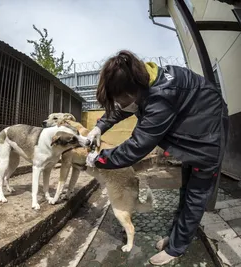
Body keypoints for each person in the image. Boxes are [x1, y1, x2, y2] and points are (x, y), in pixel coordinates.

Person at [85, 50, 228, 266]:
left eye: (120, 100)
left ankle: (177, 248)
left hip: (208, 138)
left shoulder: (161, 96)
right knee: (186, 187)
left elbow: (137, 147)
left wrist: (98, 159)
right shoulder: (146, 81)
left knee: (196, 195)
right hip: (195, 129)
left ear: (134, 91)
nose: (120, 106)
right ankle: (176, 238)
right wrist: (99, 127)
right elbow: (125, 107)